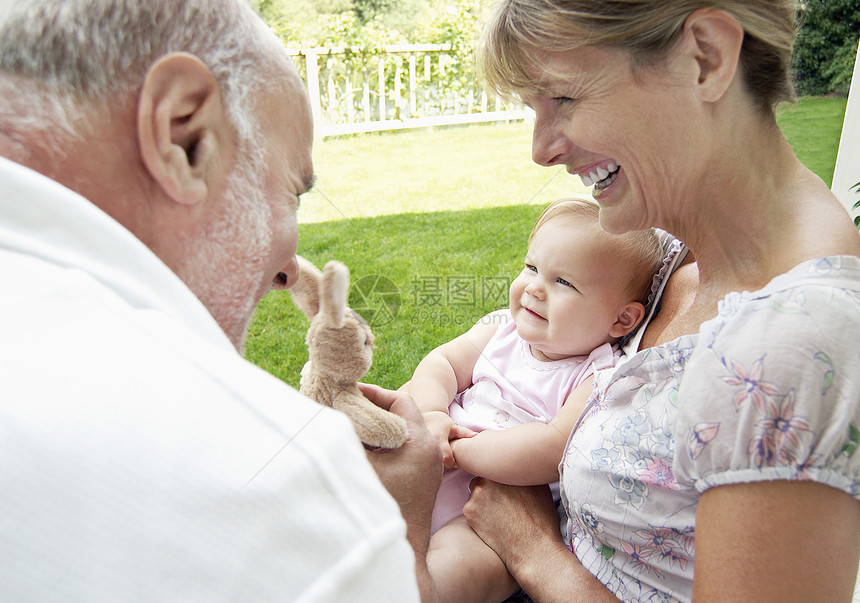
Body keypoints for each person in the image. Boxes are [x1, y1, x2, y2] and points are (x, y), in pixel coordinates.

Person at [0, 1, 441, 600]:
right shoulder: (286, 495)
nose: (291, 261)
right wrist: (403, 530)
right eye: (292, 192)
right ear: (186, 136)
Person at [455, 1, 860, 601]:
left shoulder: (794, 343)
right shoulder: (671, 253)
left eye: (563, 98)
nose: (541, 149)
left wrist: (533, 552)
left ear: (706, 58)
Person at [405, 196, 663, 601]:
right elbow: (442, 363)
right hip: (433, 455)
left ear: (622, 319)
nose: (533, 289)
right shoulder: (501, 330)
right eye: (531, 267)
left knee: (462, 570)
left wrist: (456, 448)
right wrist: (432, 413)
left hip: (493, 511)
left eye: (563, 282)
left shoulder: (596, 375)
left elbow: (551, 447)